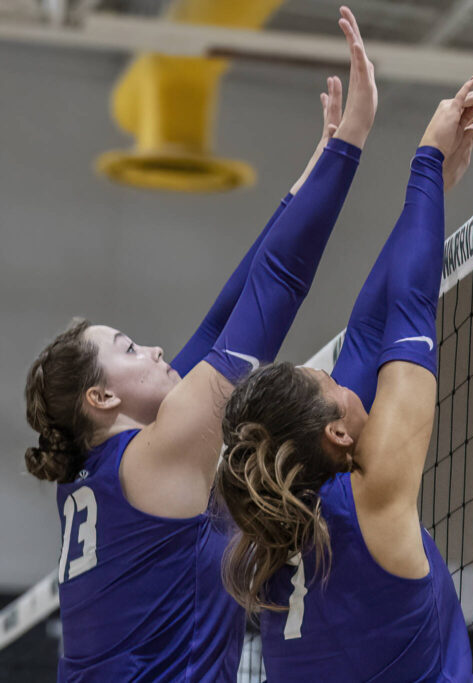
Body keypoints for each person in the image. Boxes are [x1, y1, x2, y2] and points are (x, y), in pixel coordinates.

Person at [22, 8, 376, 680]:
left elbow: (224, 310)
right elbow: (275, 286)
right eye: (129, 349)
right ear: (102, 396)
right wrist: (355, 137)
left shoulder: (98, 473)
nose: (156, 350)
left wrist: (316, 168)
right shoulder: (160, 451)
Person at [215, 77, 473, 682]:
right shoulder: (372, 498)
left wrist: (430, 193)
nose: (343, 376)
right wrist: (424, 160)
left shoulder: (275, 535)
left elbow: (369, 329)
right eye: (329, 379)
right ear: (338, 433)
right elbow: (408, 312)